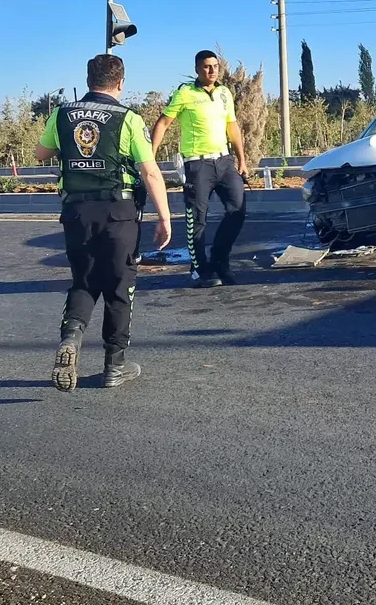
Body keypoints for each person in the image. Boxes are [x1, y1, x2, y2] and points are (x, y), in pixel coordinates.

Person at [36, 54, 172, 392]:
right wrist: (165, 217)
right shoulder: (127, 119)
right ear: (121, 82)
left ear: (88, 80)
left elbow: (41, 154)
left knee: (83, 281)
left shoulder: (62, 114)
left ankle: (71, 337)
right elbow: (149, 170)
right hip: (118, 213)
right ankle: (115, 366)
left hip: (76, 213)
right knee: (118, 288)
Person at [151, 50, 248, 287]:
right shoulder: (185, 92)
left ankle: (220, 261)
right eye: (206, 67)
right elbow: (163, 123)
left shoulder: (225, 93)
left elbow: (232, 126)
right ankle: (199, 270)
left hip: (224, 162)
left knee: (238, 210)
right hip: (197, 164)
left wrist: (242, 160)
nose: (212, 70)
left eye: (215, 66)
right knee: (198, 219)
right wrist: (150, 158)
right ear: (197, 69)